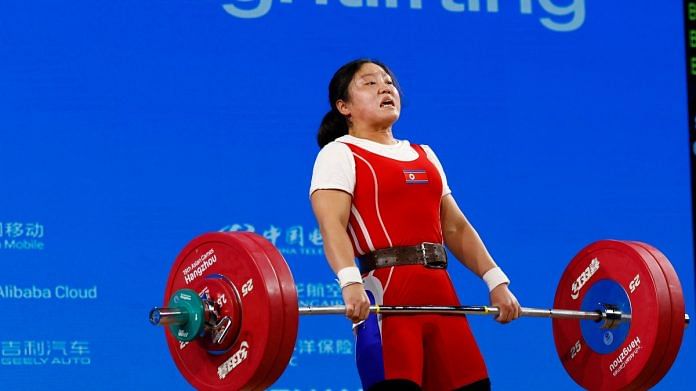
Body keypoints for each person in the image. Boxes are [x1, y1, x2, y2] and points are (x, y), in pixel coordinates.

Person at [309, 59, 521, 391]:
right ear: (344, 106)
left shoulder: (425, 154)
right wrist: (349, 282)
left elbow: (455, 228)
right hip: (385, 301)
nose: (385, 87)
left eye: (388, 81)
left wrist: (496, 281)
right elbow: (332, 225)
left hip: (442, 300)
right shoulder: (339, 154)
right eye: (369, 83)